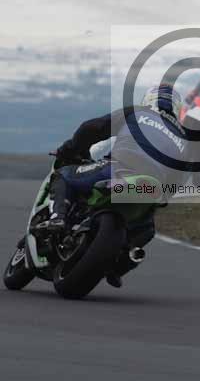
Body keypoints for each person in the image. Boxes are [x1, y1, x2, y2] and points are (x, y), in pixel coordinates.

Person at [48, 83, 187, 288]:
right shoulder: (185, 140)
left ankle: (57, 217)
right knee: (147, 229)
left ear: (148, 99)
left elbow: (92, 128)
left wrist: (69, 149)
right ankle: (121, 264)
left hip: (118, 167)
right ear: (177, 108)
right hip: (151, 185)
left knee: (63, 175)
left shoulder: (138, 112)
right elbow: (178, 180)